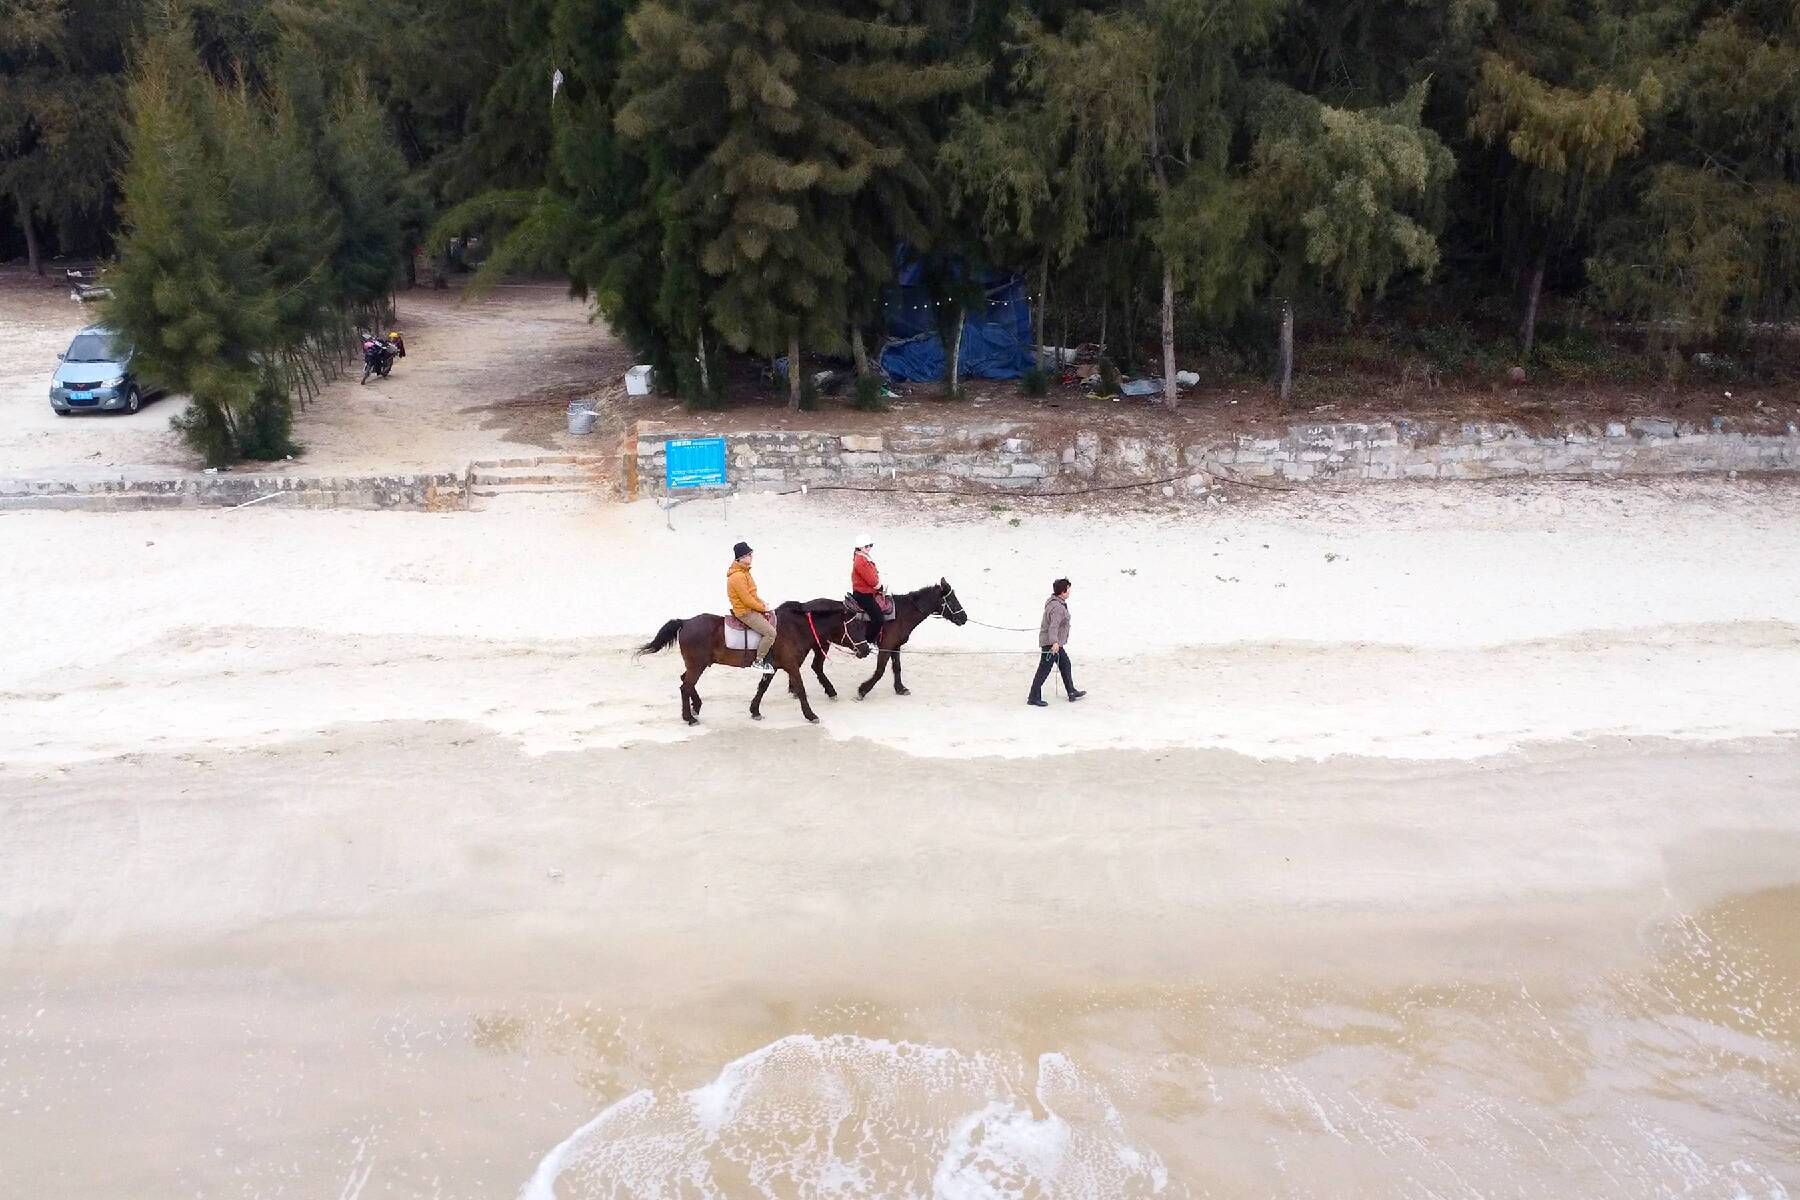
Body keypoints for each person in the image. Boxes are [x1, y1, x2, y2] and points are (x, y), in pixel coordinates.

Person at [1027, 577, 1085, 707]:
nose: (1069, 592)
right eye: (1068, 589)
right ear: (1063, 591)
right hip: (1052, 644)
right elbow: (1053, 626)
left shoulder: (1054, 602)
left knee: (1065, 664)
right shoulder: (1057, 607)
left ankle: (1071, 691)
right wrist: (1054, 643)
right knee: (1044, 670)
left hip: (1055, 643)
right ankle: (1033, 697)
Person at [727, 541, 778, 674]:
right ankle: (759, 660)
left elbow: (752, 595)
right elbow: (747, 600)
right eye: (749, 554)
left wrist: (762, 603)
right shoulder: (738, 576)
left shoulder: (744, 572)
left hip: (750, 608)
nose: (751, 557)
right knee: (770, 633)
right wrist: (763, 609)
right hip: (745, 612)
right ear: (742, 557)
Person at [850, 535, 885, 630]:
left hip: (865, 593)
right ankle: (870, 641)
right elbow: (871, 580)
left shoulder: (862, 558)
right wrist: (879, 587)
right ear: (860, 547)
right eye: (866, 546)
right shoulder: (862, 560)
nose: (869, 548)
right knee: (878, 619)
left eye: (870, 545)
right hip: (864, 595)